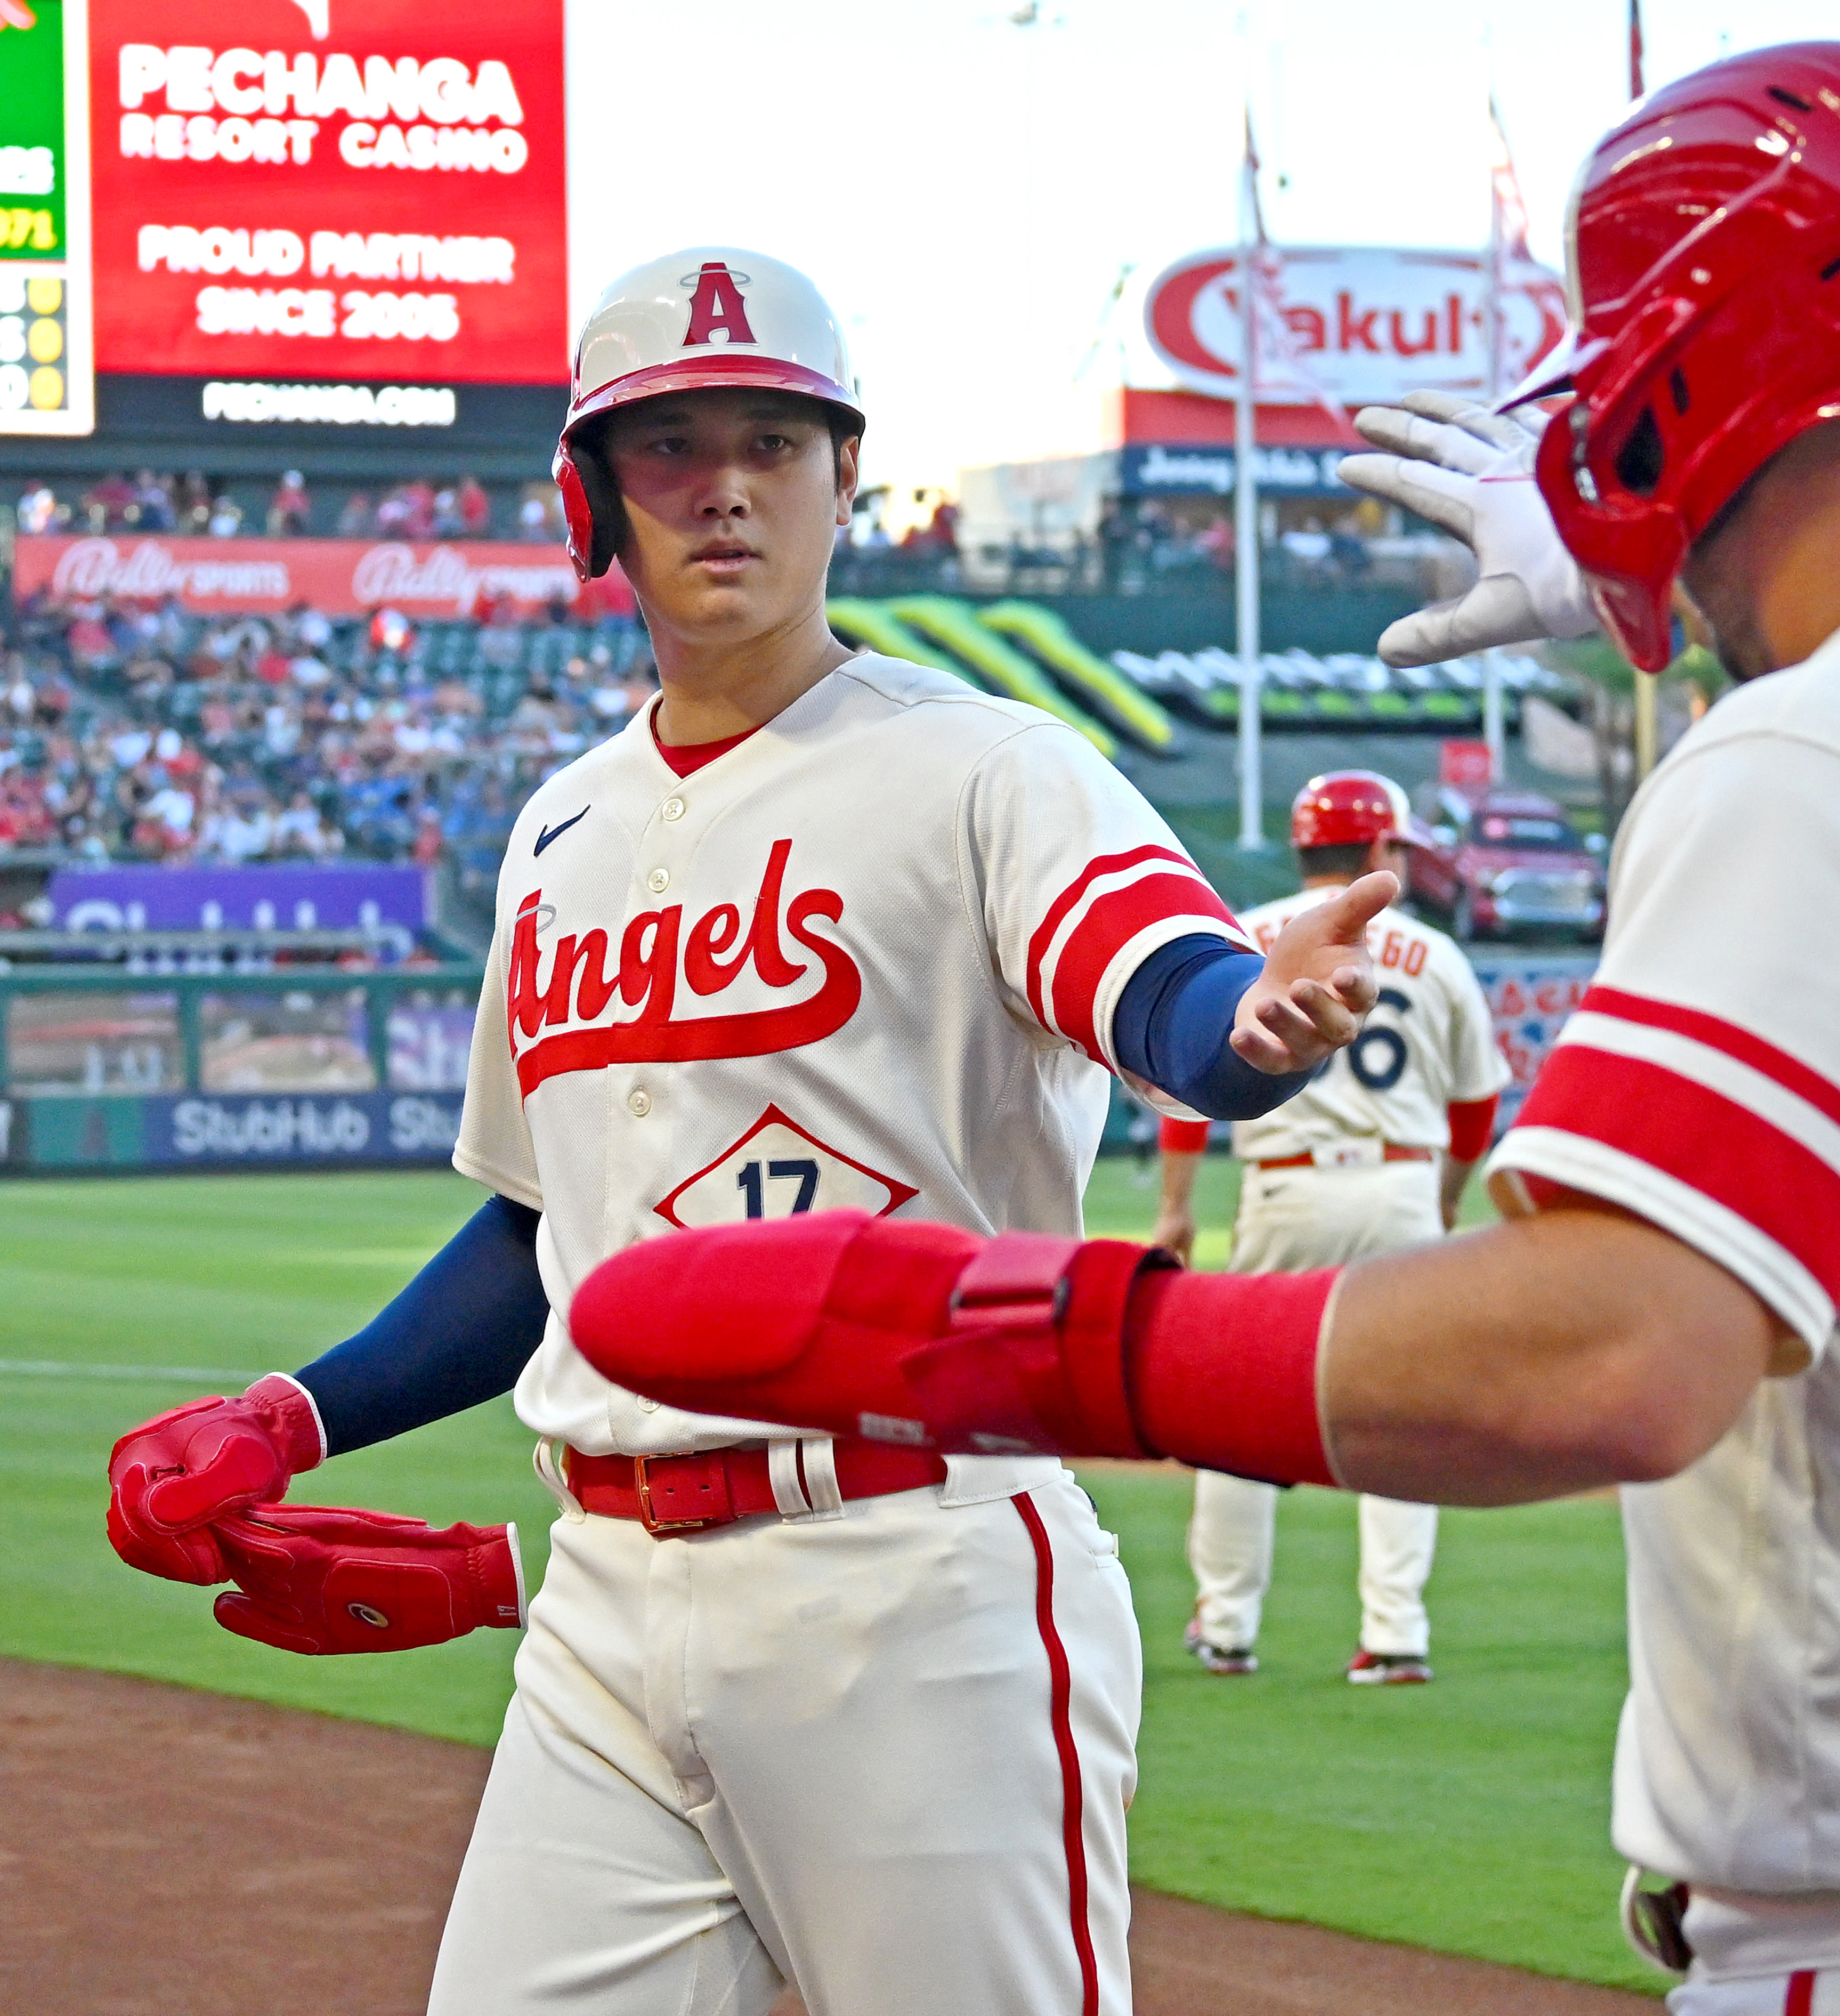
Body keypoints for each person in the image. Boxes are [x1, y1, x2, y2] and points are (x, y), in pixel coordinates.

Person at [566, 49, 1840, 2016]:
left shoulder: (1829, 762)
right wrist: (1721, 603)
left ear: (1703, 377)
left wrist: (1011, 1331)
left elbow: (1609, 1355)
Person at [102, 244, 1395, 2016]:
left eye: (776, 441)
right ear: (592, 500)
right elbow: (545, 1236)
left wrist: (1246, 1028)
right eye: (670, 443)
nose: (726, 484)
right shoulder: (559, 830)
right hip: (602, 1598)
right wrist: (298, 1412)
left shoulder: (986, 765)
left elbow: (1162, 983)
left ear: (847, 480)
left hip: (912, 1571)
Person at [1155, 769, 1506, 1685]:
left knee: (1232, 1412)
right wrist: (1445, 1198)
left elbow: (1191, 1088)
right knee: (1403, 1407)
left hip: (1284, 1190)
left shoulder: (1246, 939)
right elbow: (1476, 1105)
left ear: (1304, 845)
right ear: (1383, 851)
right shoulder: (1438, 953)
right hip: (1399, 1185)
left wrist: (1176, 1208)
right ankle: (1396, 1634)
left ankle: (1227, 1625)